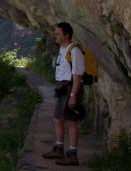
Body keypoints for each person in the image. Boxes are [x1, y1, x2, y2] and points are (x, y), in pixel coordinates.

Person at [41, 22, 85, 166]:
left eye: (58, 33)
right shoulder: (62, 49)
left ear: (67, 35)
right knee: (57, 119)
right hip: (62, 88)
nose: (56, 36)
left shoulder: (74, 51)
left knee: (70, 122)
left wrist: (73, 96)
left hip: (70, 88)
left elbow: (77, 75)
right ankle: (59, 148)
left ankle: (73, 155)